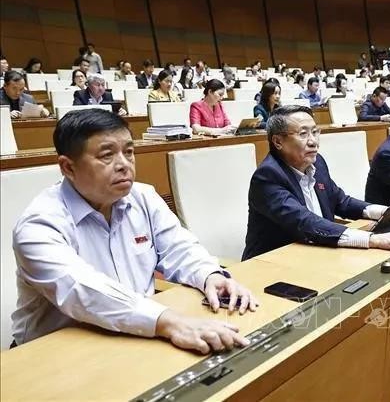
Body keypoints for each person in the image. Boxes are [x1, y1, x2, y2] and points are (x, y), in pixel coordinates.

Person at [11, 108, 257, 351]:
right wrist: (170, 322)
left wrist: (210, 275)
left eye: (129, 152)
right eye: (107, 155)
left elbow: (179, 248)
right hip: (55, 353)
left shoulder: (143, 197)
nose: (123, 164)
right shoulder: (39, 224)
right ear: (68, 167)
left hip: (135, 335)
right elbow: (83, 291)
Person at [242, 105, 390, 260]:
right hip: (274, 264)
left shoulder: (316, 162)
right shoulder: (267, 176)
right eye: (303, 134)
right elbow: (305, 222)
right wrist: (372, 239)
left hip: (317, 253)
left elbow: (340, 201)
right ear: (278, 141)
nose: (313, 141)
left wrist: (384, 212)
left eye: (315, 132)